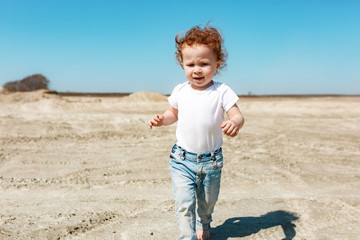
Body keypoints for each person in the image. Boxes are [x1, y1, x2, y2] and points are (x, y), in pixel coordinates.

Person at [148, 24, 245, 240]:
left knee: (207, 201)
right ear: (182, 64)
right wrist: (162, 119)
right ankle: (187, 236)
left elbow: (237, 115)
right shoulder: (180, 90)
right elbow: (173, 113)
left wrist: (235, 123)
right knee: (184, 202)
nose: (196, 70)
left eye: (203, 63)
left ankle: (205, 221)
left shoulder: (222, 91)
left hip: (211, 161)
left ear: (217, 64)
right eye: (190, 64)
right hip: (182, 158)